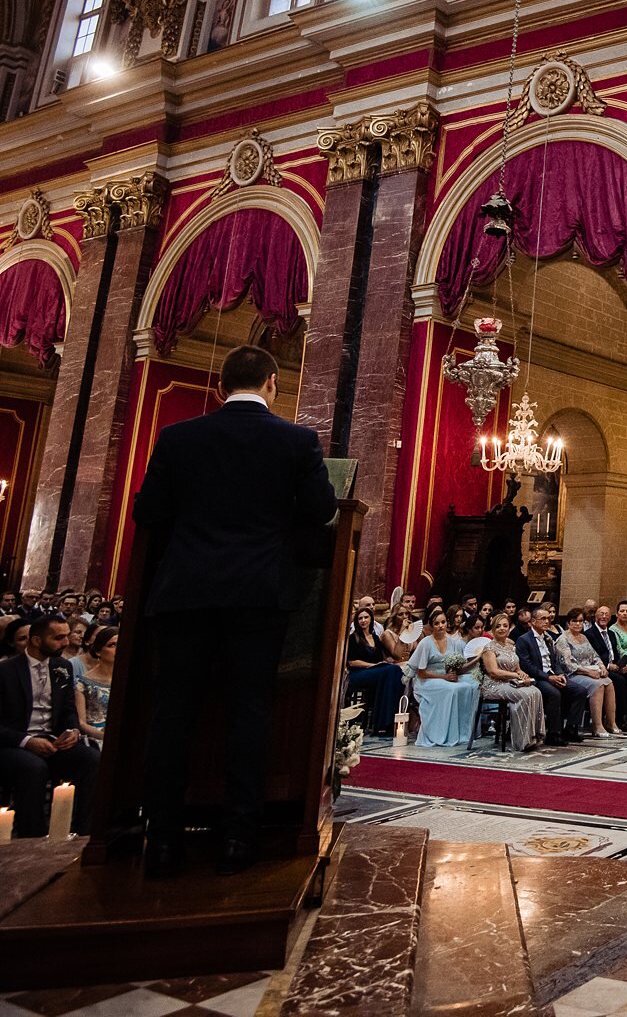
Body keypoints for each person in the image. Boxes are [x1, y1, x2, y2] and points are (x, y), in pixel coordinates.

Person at [132, 343, 339, 876]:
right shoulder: (296, 441)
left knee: (174, 713)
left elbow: (149, 510)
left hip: (185, 591)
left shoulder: (178, 437)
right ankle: (238, 838)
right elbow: (320, 513)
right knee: (250, 712)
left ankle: (161, 840)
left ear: (222, 387)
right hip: (257, 592)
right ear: (272, 382)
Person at [0, 615, 99, 837]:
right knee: (34, 768)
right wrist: (27, 741)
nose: (65, 642)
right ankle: (32, 835)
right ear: (35, 640)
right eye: (58, 638)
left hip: (51, 741)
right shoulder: (3, 671)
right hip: (12, 744)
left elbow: (68, 709)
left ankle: (84, 833)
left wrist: (71, 730)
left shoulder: (62, 667)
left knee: (91, 759)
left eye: (65, 636)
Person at [409, 608, 479, 746]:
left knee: (468, 686)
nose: (441, 626)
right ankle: (442, 733)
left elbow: (455, 663)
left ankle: (463, 733)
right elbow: (421, 672)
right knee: (452, 690)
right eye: (437, 623)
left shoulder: (453, 642)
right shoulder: (426, 643)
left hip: (445, 676)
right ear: (432, 625)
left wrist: (452, 673)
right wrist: (443, 677)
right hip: (427, 680)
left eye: (443, 622)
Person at [477, 612, 545, 751]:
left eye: (505, 626)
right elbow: (493, 671)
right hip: (493, 685)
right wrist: (514, 675)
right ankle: (522, 740)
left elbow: (517, 667)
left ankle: (534, 735)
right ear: (493, 629)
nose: (502, 629)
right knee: (524, 695)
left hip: (510, 682)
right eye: (498, 626)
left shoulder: (510, 646)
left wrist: (521, 673)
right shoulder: (489, 648)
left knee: (535, 691)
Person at [516, 607, 584, 744]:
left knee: (580, 691)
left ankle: (570, 728)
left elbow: (555, 660)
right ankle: (554, 733)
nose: (547, 621)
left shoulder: (547, 638)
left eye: (548, 618)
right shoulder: (524, 640)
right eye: (543, 619)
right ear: (533, 621)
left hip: (552, 674)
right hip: (538, 678)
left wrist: (560, 674)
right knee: (554, 693)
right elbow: (527, 666)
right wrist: (548, 677)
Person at [556, 609, 621, 738]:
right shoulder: (563, 639)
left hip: (590, 671)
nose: (578, 624)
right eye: (574, 621)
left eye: (580, 621)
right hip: (573, 674)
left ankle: (611, 723)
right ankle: (597, 726)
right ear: (568, 623)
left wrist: (602, 666)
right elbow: (567, 664)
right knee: (597, 685)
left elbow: (595, 656)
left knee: (608, 682)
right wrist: (589, 672)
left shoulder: (584, 637)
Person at [346, 607, 406, 734]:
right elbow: (352, 662)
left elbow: (383, 658)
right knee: (389, 671)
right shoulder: (353, 638)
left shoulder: (375, 638)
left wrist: (387, 662)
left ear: (371, 619)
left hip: (376, 672)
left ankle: (389, 721)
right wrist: (372, 666)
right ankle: (383, 722)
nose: (363, 620)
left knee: (396, 671)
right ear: (356, 621)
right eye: (360, 618)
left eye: (366, 617)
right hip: (358, 673)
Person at [584, 604, 627, 731]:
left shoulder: (611, 633)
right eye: (601, 614)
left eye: (606, 615)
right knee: (619, 681)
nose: (604, 617)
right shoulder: (589, 634)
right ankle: (617, 719)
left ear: (610, 617)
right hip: (602, 668)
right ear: (596, 617)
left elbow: (616, 653)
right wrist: (608, 666)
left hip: (616, 666)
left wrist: (623, 665)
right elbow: (591, 657)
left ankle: (623, 711)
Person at [76, 626, 117, 744]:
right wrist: (104, 736)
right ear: (98, 651)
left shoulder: (128, 680)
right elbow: (81, 722)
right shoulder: (83, 682)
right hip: (96, 737)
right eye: (112, 645)